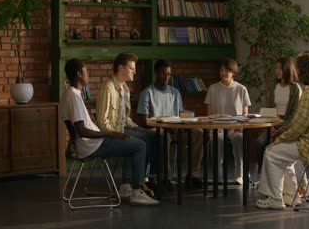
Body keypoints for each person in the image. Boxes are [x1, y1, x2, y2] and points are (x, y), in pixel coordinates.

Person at [60, 58, 158, 205]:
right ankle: (136, 193)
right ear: (79, 74)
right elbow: (82, 131)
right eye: (86, 71)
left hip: (88, 144)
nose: (89, 74)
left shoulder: (68, 94)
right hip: (94, 145)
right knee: (140, 145)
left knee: (131, 141)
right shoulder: (74, 97)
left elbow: (73, 128)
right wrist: (110, 134)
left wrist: (72, 145)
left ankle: (126, 189)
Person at [256, 52, 309, 210]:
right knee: (283, 156)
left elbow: (297, 128)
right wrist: (282, 137)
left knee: (271, 152)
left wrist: (278, 139)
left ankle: (275, 198)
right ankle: (292, 196)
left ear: (304, 71)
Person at [96, 52, 158, 197]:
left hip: (123, 127)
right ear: (121, 68)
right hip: (112, 133)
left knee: (152, 135)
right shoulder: (108, 88)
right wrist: (117, 134)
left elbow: (126, 119)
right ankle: (130, 183)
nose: (134, 71)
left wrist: (139, 128)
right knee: (140, 141)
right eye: (131, 68)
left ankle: (143, 178)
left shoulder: (125, 89)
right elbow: (101, 121)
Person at [137, 59, 204, 189]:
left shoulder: (175, 92)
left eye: (168, 74)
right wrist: (163, 126)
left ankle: (192, 175)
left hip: (175, 129)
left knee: (199, 134)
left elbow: (180, 115)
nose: (166, 77)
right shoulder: (147, 93)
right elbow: (142, 122)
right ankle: (165, 177)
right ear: (156, 73)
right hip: (157, 129)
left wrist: (186, 120)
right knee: (163, 136)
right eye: (163, 73)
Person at [204, 58, 251, 185]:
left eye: (226, 71)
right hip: (218, 126)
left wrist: (240, 125)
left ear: (233, 72)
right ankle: (218, 175)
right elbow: (209, 113)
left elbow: (245, 113)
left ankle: (240, 174)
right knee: (217, 139)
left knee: (238, 138)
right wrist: (213, 126)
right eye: (221, 70)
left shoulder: (241, 89)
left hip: (235, 126)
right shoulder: (213, 88)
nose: (223, 73)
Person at [255, 57, 301, 173]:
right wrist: (271, 127)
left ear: (287, 69)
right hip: (273, 123)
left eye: (280, 68)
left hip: (287, 125)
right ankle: (263, 175)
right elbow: (269, 109)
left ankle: (279, 175)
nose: (277, 71)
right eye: (277, 68)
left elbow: (294, 114)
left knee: (277, 144)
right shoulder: (273, 86)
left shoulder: (295, 88)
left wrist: (280, 129)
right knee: (260, 142)